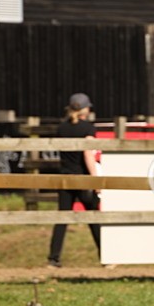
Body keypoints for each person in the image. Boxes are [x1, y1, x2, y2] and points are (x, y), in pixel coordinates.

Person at [47, 93, 101, 267]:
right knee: (93, 217)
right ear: (85, 109)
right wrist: (95, 180)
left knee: (62, 218)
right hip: (83, 178)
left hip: (65, 177)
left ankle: (53, 258)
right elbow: (88, 155)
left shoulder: (61, 128)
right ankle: (106, 256)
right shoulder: (88, 128)